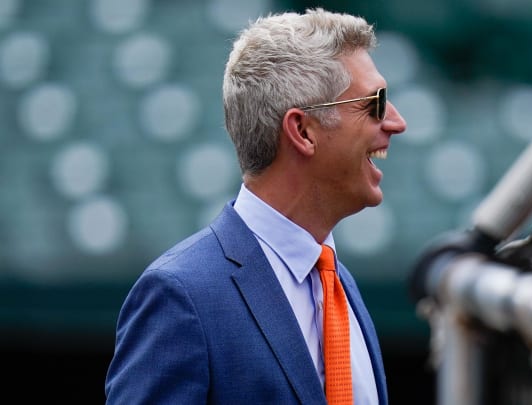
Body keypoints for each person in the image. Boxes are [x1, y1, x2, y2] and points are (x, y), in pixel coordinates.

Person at [104, 7, 407, 405]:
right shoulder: (181, 296)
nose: (397, 122)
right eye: (375, 102)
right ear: (302, 131)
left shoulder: (339, 285)